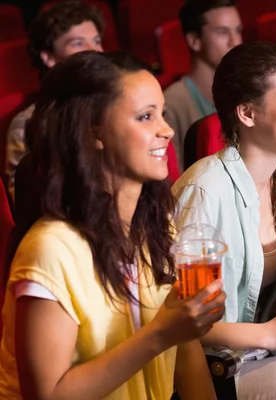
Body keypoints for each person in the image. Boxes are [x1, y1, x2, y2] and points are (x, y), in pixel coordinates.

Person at [0, 51, 225, 400]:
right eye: (145, 117)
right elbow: (46, 395)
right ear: (95, 132)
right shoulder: (51, 249)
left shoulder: (155, 225)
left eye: (162, 114)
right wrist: (160, 335)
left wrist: (177, 330)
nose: (166, 130)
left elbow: (187, 353)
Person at [172, 41, 276, 399]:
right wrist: (270, 333)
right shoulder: (205, 191)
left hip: (274, 355)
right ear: (248, 114)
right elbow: (186, 324)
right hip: (217, 370)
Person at [4, 0, 105, 201]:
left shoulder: (115, 105)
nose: (94, 51)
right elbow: (25, 204)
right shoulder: (26, 124)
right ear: (48, 57)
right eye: (78, 43)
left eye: (96, 40)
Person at [164, 0, 242, 172]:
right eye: (222, 32)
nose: (235, 41)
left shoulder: (244, 92)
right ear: (194, 40)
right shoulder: (173, 102)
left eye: (238, 31)